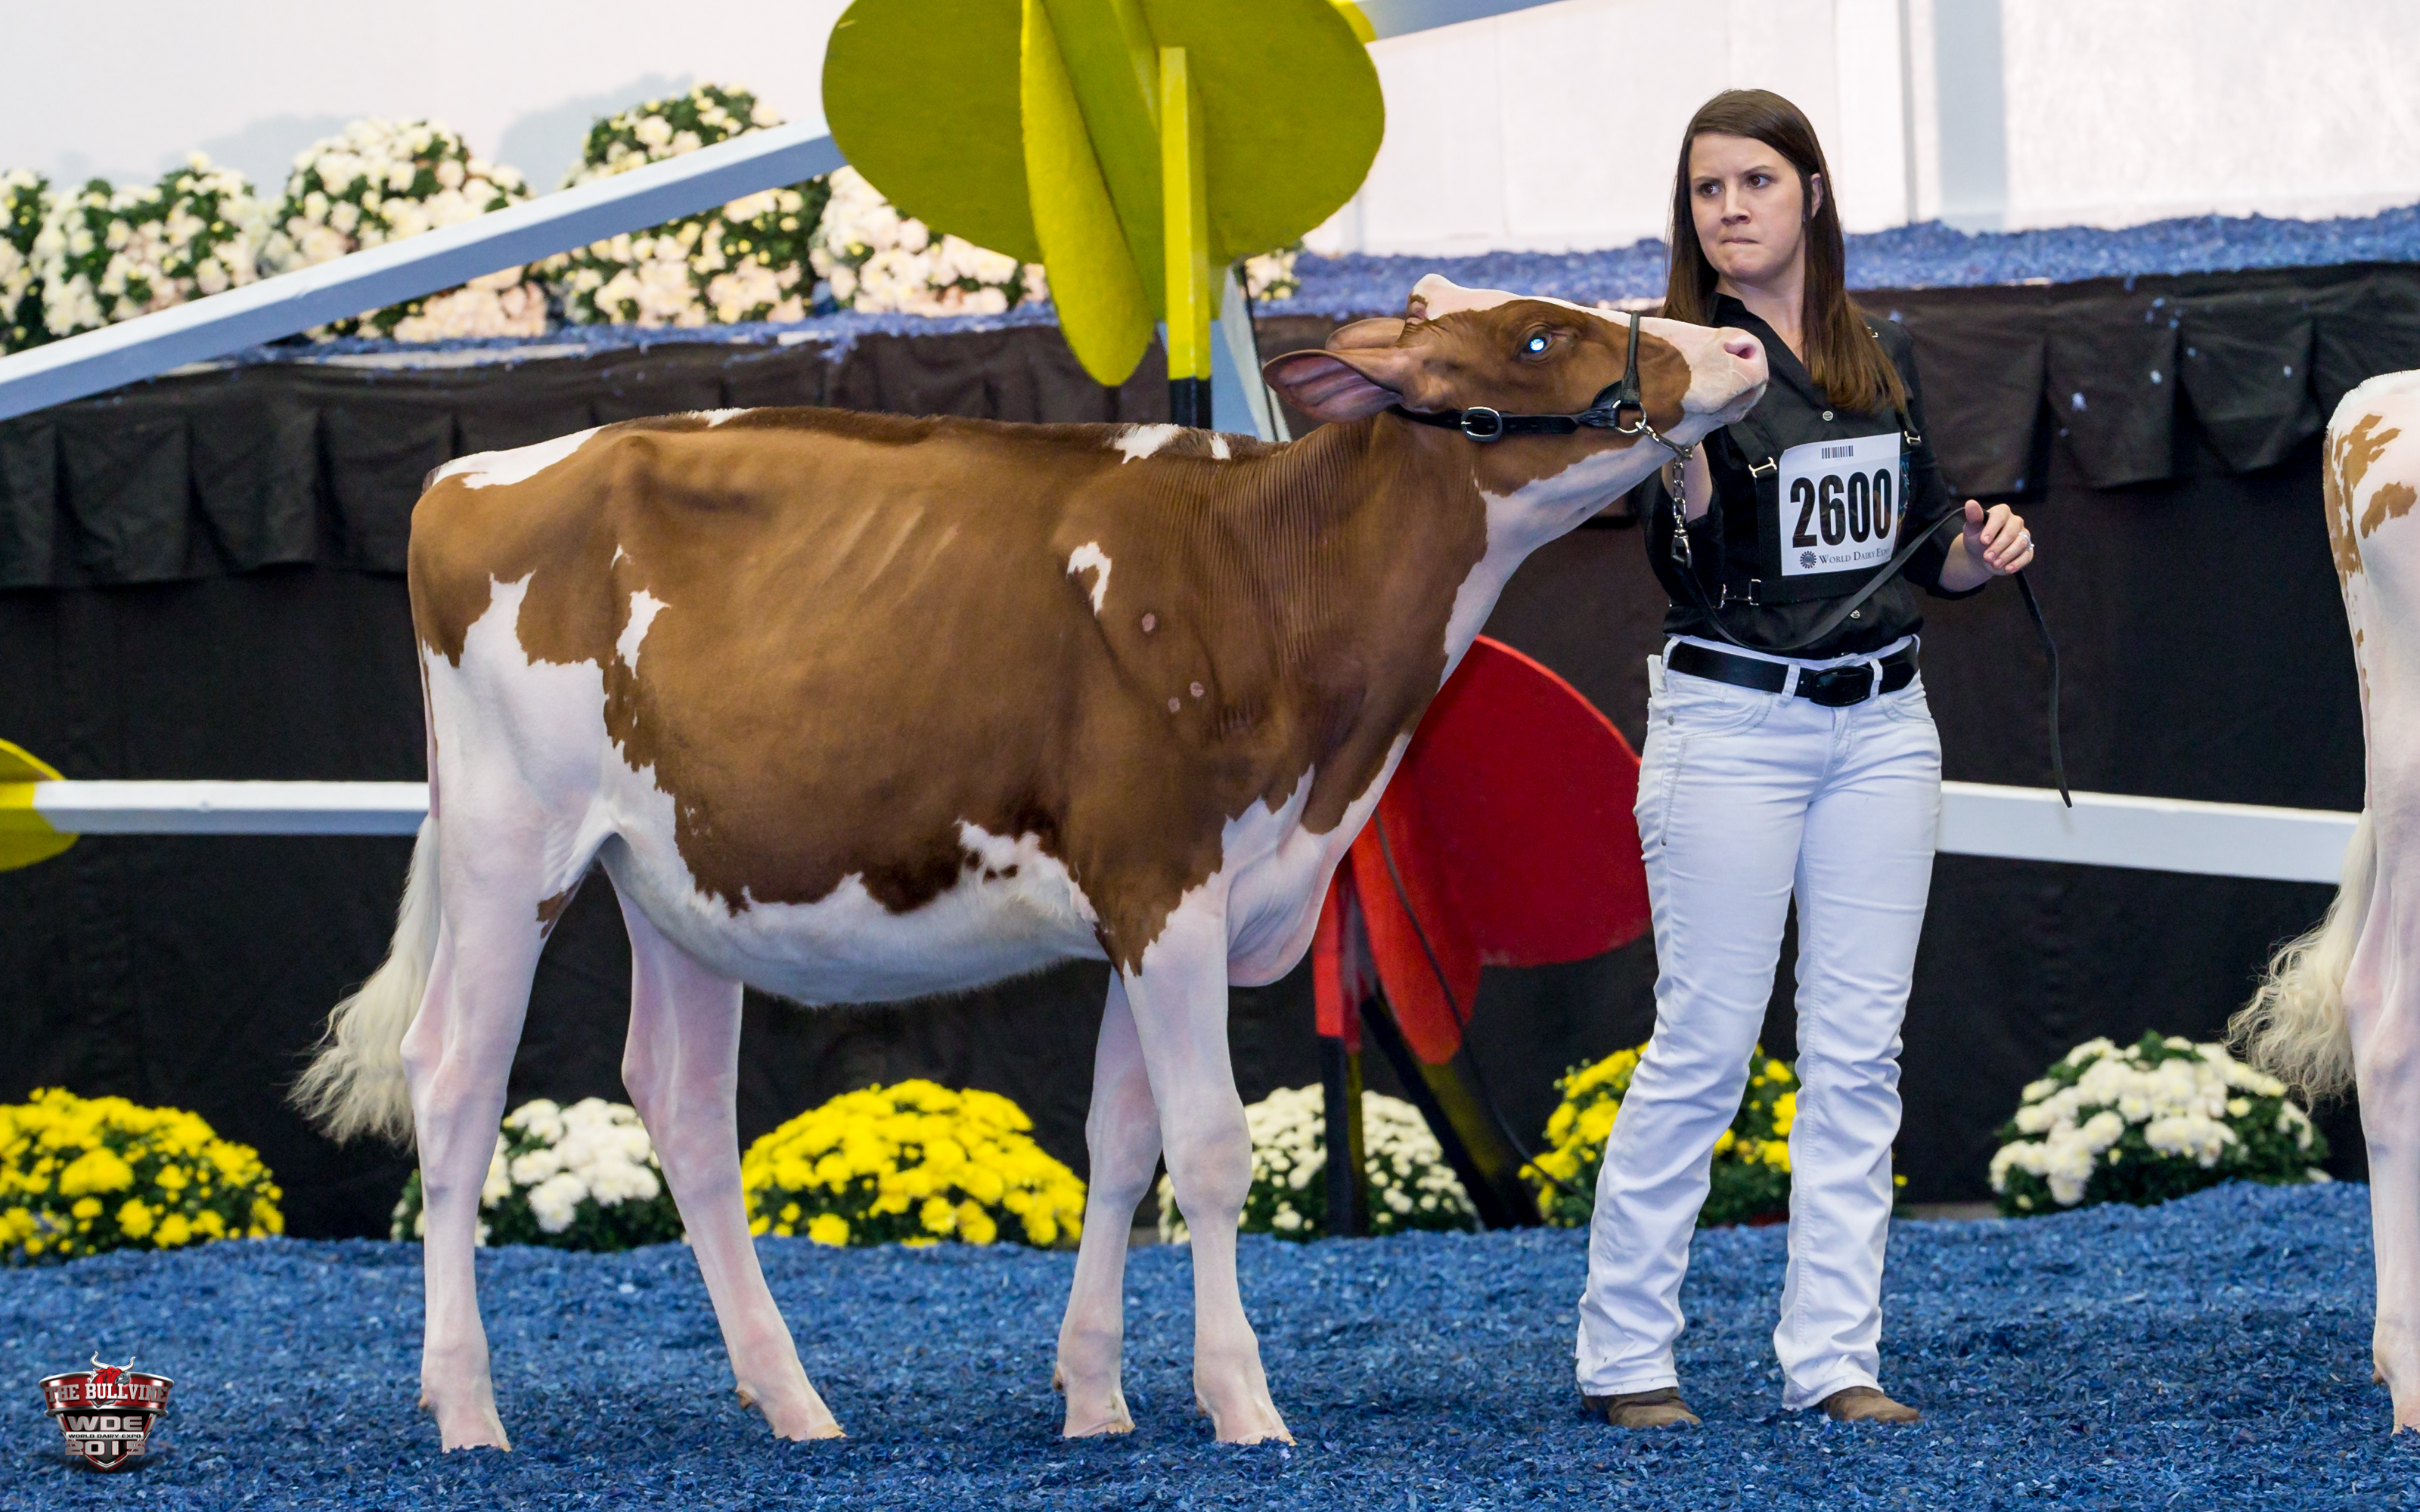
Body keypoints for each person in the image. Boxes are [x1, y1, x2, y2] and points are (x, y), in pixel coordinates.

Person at [1573, 88, 2034, 1428]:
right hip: (1733, 726)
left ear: (1812, 195)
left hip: (1884, 725)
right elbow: (1685, 563)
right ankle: (1624, 1357)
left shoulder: (1875, 352)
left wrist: (1984, 549)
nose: (1730, 209)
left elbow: (1928, 544)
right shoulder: (1679, 362)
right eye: (1708, 189)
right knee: (1705, 1047)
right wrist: (1683, 454)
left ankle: (1834, 1359)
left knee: (1858, 1057)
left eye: (1756, 182)